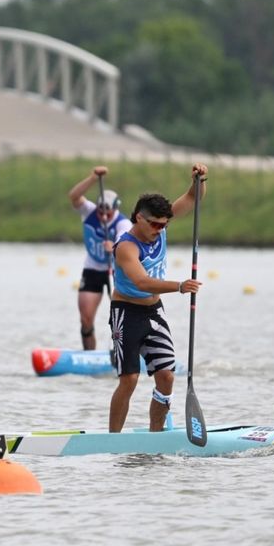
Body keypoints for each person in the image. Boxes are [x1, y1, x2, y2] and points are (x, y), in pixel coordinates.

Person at [108, 163, 208, 433]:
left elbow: (191, 198)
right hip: (126, 313)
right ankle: (113, 438)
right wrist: (179, 286)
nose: (160, 229)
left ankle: (156, 434)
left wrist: (199, 179)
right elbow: (141, 282)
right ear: (139, 218)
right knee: (129, 379)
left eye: (164, 224)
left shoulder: (160, 226)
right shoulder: (127, 247)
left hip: (154, 312)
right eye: (154, 224)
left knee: (166, 377)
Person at [68, 166, 131, 350]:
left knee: (121, 320)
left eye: (108, 213)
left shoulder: (123, 223)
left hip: (115, 273)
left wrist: (114, 248)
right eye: (100, 212)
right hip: (93, 268)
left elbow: (125, 246)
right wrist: (93, 178)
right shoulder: (89, 211)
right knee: (85, 319)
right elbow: (74, 196)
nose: (103, 217)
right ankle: (89, 355)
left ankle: (124, 352)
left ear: (115, 209)